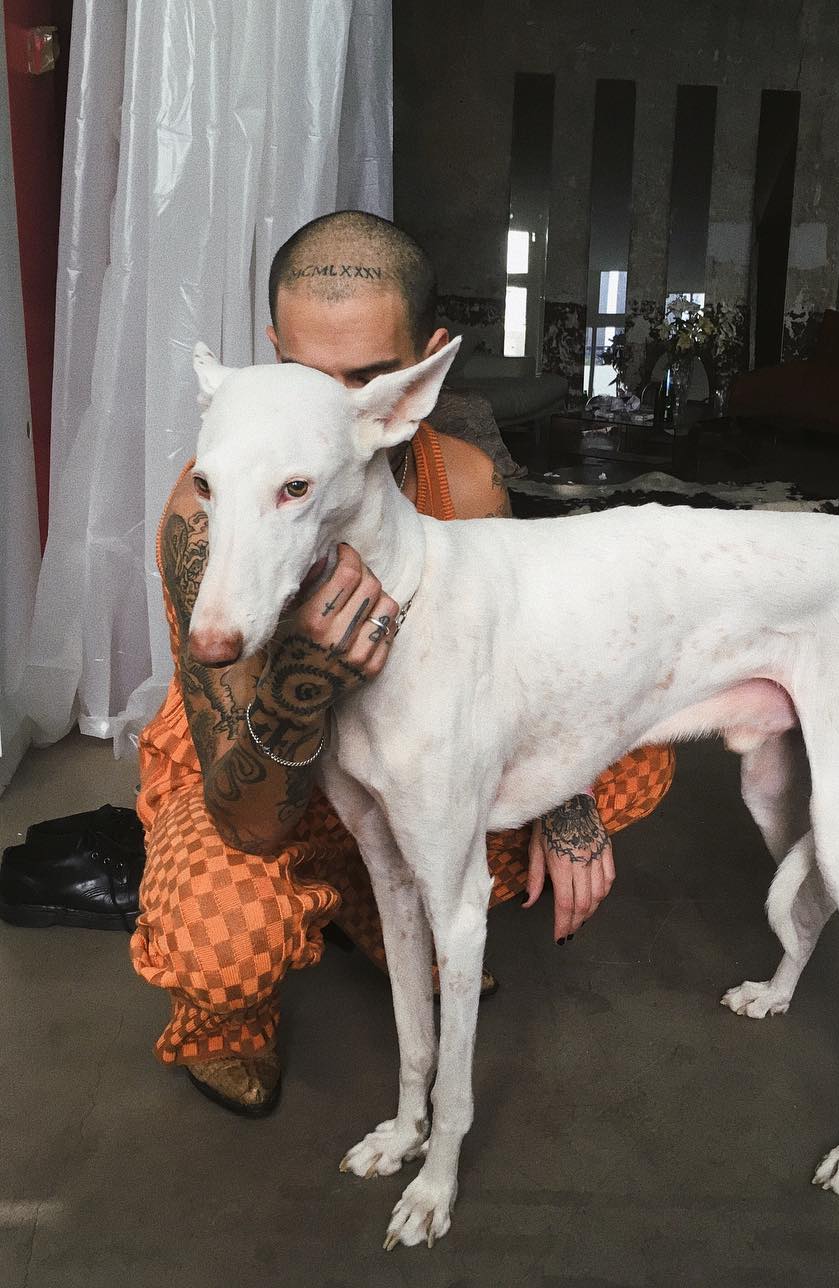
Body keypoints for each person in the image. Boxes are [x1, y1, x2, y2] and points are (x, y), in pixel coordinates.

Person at [130, 211, 675, 1115]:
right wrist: (304, 681)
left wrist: (567, 806)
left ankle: (376, 908)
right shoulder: (208, 507)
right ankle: (241, 1008)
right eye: (309, 373)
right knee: (222, 932)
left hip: (408, 748)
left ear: (420, 372)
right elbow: (247, 819)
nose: (336, 409)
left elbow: (524, 663)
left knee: (621, 750)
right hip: (253, 774)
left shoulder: (464, 480)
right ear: (273, 351)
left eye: (368, 378)